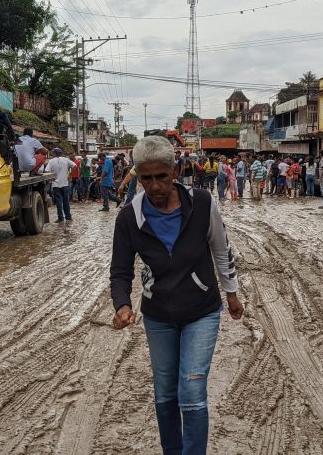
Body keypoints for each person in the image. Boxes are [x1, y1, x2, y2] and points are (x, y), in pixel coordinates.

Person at [110, 136, 244, 455]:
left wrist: (232, 293)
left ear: (175, 171)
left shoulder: (201, 203)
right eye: (145, 178)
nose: (154, 186)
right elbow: (120, 271)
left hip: (202, 311)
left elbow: (221, 249)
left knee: (193, 390)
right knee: (165, 393)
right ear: (137, 177)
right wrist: (123, 305)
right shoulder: (129, 218)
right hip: (158, 316)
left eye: (161, 176)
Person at [47, 148, 76, 222]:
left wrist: (52, 178)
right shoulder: (66, 160)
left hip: (55, 185)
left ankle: (60, 218)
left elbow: (47, 171)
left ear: (54, 154)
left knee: (59, 202)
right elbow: (75, 166)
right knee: (66, 201)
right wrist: (70, 175)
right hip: (65, 184)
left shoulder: (51, 161)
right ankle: (68, 217)